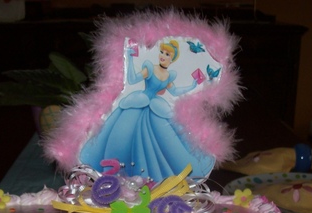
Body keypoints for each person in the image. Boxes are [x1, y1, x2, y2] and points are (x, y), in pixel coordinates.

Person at [80, 40, 215, 182]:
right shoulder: (150, 68)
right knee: (124, 134)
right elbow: (132, 79)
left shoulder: (169, 75)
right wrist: (130, 59)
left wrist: (193, 84)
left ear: (172, 58)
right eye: (162, 52)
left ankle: (156, 178)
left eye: (167, 54)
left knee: (167, 139)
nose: (163, 56)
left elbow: (175, 91)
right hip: (140, 102)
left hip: (156, 107)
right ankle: (120, 173)